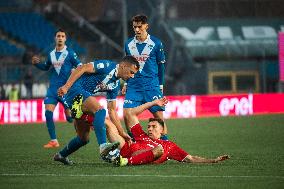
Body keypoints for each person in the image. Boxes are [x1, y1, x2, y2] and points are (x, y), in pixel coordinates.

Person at [53, 55, 140, 165]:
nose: (132, 76)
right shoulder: (107, 66)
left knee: (83, 138)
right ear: (123, 66)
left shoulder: (115, 85)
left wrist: (122, 132)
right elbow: (82, 68)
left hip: (82, 99)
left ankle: (61, 155)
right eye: (131, 72)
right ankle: (103, 146)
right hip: (74, 90)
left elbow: (112, 110)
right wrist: (66, 86)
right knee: (100, 111)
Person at [105, 97, 230, 166]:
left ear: (162, 130)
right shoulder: (141, 135)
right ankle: (88, 117)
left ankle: (124, 161)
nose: (149, 129)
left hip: (136, 156)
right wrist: (153, 103)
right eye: (148, 126)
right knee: (108, 124)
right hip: (127, 150)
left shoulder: (169, 146)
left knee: (159, 149)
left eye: (153, 126)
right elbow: (131, 114)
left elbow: (190, 158)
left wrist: (213, 160)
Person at [31, 29, 81, 148]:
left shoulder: (70, 53)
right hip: (53, 89)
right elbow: (45, 67)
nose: (60, 38)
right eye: (58, 36)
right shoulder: (51, 54)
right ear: (55, 38)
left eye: (62, 36)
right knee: (48, 113)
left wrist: (75, 71)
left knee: (70, 118)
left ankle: (82, 131)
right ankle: (54, 141)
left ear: (65, 39)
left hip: (65, 89)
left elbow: (80, 65)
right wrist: (36, 64)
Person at [122, 14, 168, 140]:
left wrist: (160, 85)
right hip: (134, 86)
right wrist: (126, 83)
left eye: (139, 27)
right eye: (134, 27)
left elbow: (161, 66)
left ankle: (166, 147)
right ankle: (136, 144)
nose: (137, 30)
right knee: (127, 115)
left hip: (151, 86)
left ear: (146, 26)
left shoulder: (156, 43)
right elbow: (127, 65)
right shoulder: (128, 44)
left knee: (159, 118)